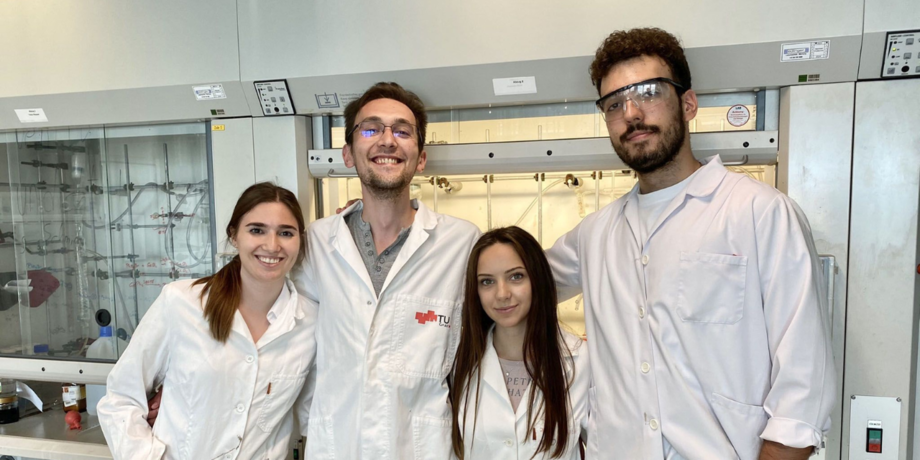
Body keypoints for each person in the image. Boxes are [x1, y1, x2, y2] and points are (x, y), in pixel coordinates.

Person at [546, 28, 835, 460]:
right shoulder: (596, 234)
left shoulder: (759, 213)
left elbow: (804, 380)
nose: (631, 113)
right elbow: (517, 286)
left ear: (688, 104)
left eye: (647, 92)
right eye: (614, 104)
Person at [292, 82, 481, 459]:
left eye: (402, 130)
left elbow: (500, 329)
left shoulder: (461, 243)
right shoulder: (315, 244)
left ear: (421, 157)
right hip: (336, 447)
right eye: (370, 129)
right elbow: (277, 335)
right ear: (348, 153)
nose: (387, 140)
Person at [98, 182, 316, 460]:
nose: (272, 245)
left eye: (286, 233)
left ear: (300, 240)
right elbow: (121, 398)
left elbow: (317, 412)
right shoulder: (181, 302)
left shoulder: (309, 323)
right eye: (257, 230)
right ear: (234, 235)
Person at [451, 226, 590, 460]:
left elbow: (605, 446)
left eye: (516, 276)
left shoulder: (581, 360)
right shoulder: (460, 362)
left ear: (537, 278)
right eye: (487, 282)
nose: (502, 293)